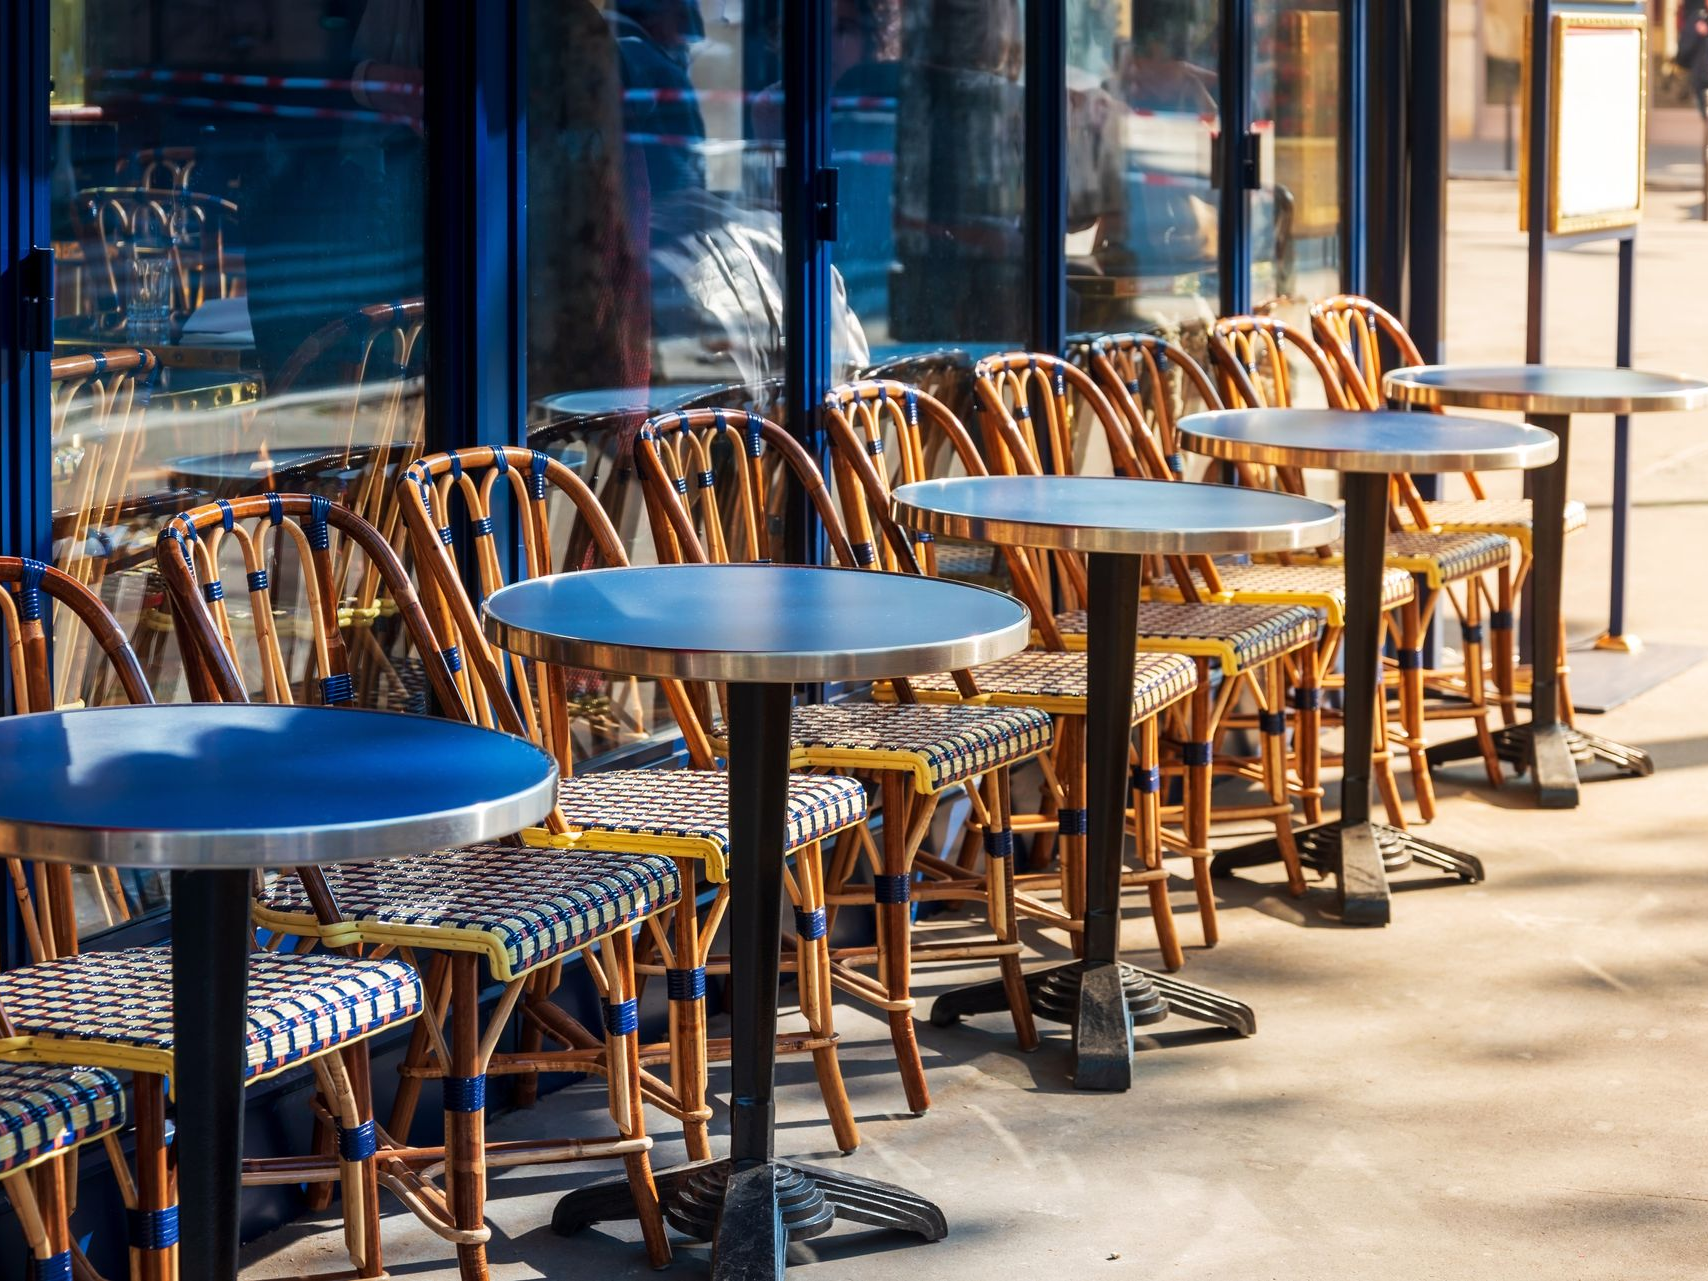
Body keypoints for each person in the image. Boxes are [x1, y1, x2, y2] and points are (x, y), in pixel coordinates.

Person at [1677, 6, 1708, 119]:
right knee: (1704, 115)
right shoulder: (1697, 18)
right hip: (1701, 76)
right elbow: (1685, 47)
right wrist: (1697, 33)